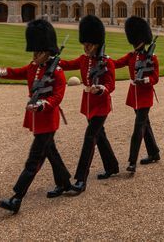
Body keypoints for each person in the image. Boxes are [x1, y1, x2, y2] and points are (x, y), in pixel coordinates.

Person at [0, 19, 72, 214]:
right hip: (36, 119)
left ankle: (17, 197)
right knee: (51, 153)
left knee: (34, 160)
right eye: (33, 52)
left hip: (47, 120)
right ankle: (65, 183)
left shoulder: (57, 72)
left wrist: (42, 105)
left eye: (37, 52)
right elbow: (14, 72)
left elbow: (57, 97)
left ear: (47, 52)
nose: (34, 55)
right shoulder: (33, 67)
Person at [58, 15, 118, 193]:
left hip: (101, 105)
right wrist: (51, 59)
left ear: (98, 44)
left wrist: (100, 89)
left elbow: (111, 85)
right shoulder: (84, 60)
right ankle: (112, 166)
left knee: (89, 138)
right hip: (88, 105)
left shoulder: (107, 62)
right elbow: (67, 64)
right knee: (100, 136)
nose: (86, 47)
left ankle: (80, 179)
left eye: (89, 45)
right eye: (84, 44)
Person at [113, 16, 161, 174]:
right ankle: (154, 152)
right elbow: (116, 64)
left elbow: (155, 78)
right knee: (145, 124)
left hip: (145, 95)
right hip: (134, 95)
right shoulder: (131, 56)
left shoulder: (152, 58)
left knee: (138, 127)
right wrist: (103, 62)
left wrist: (146, 80)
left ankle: (132, 161)